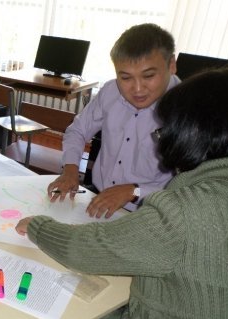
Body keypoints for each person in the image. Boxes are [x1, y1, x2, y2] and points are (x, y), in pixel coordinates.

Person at [16, 68, 228, 319]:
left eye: (167, 130)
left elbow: (87, 248)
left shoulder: (183, 210)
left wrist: (39, 227)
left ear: (195, 133)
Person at [48, 23, 179, 218]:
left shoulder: (188, 111)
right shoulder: (110, 91)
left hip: (152, 213)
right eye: (125, 77)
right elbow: (77, 131)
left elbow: (191, 187)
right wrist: (70, 169)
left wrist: (133, 191)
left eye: (149, 76)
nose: (137, 89)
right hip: (98, 197)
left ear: (171, 65)